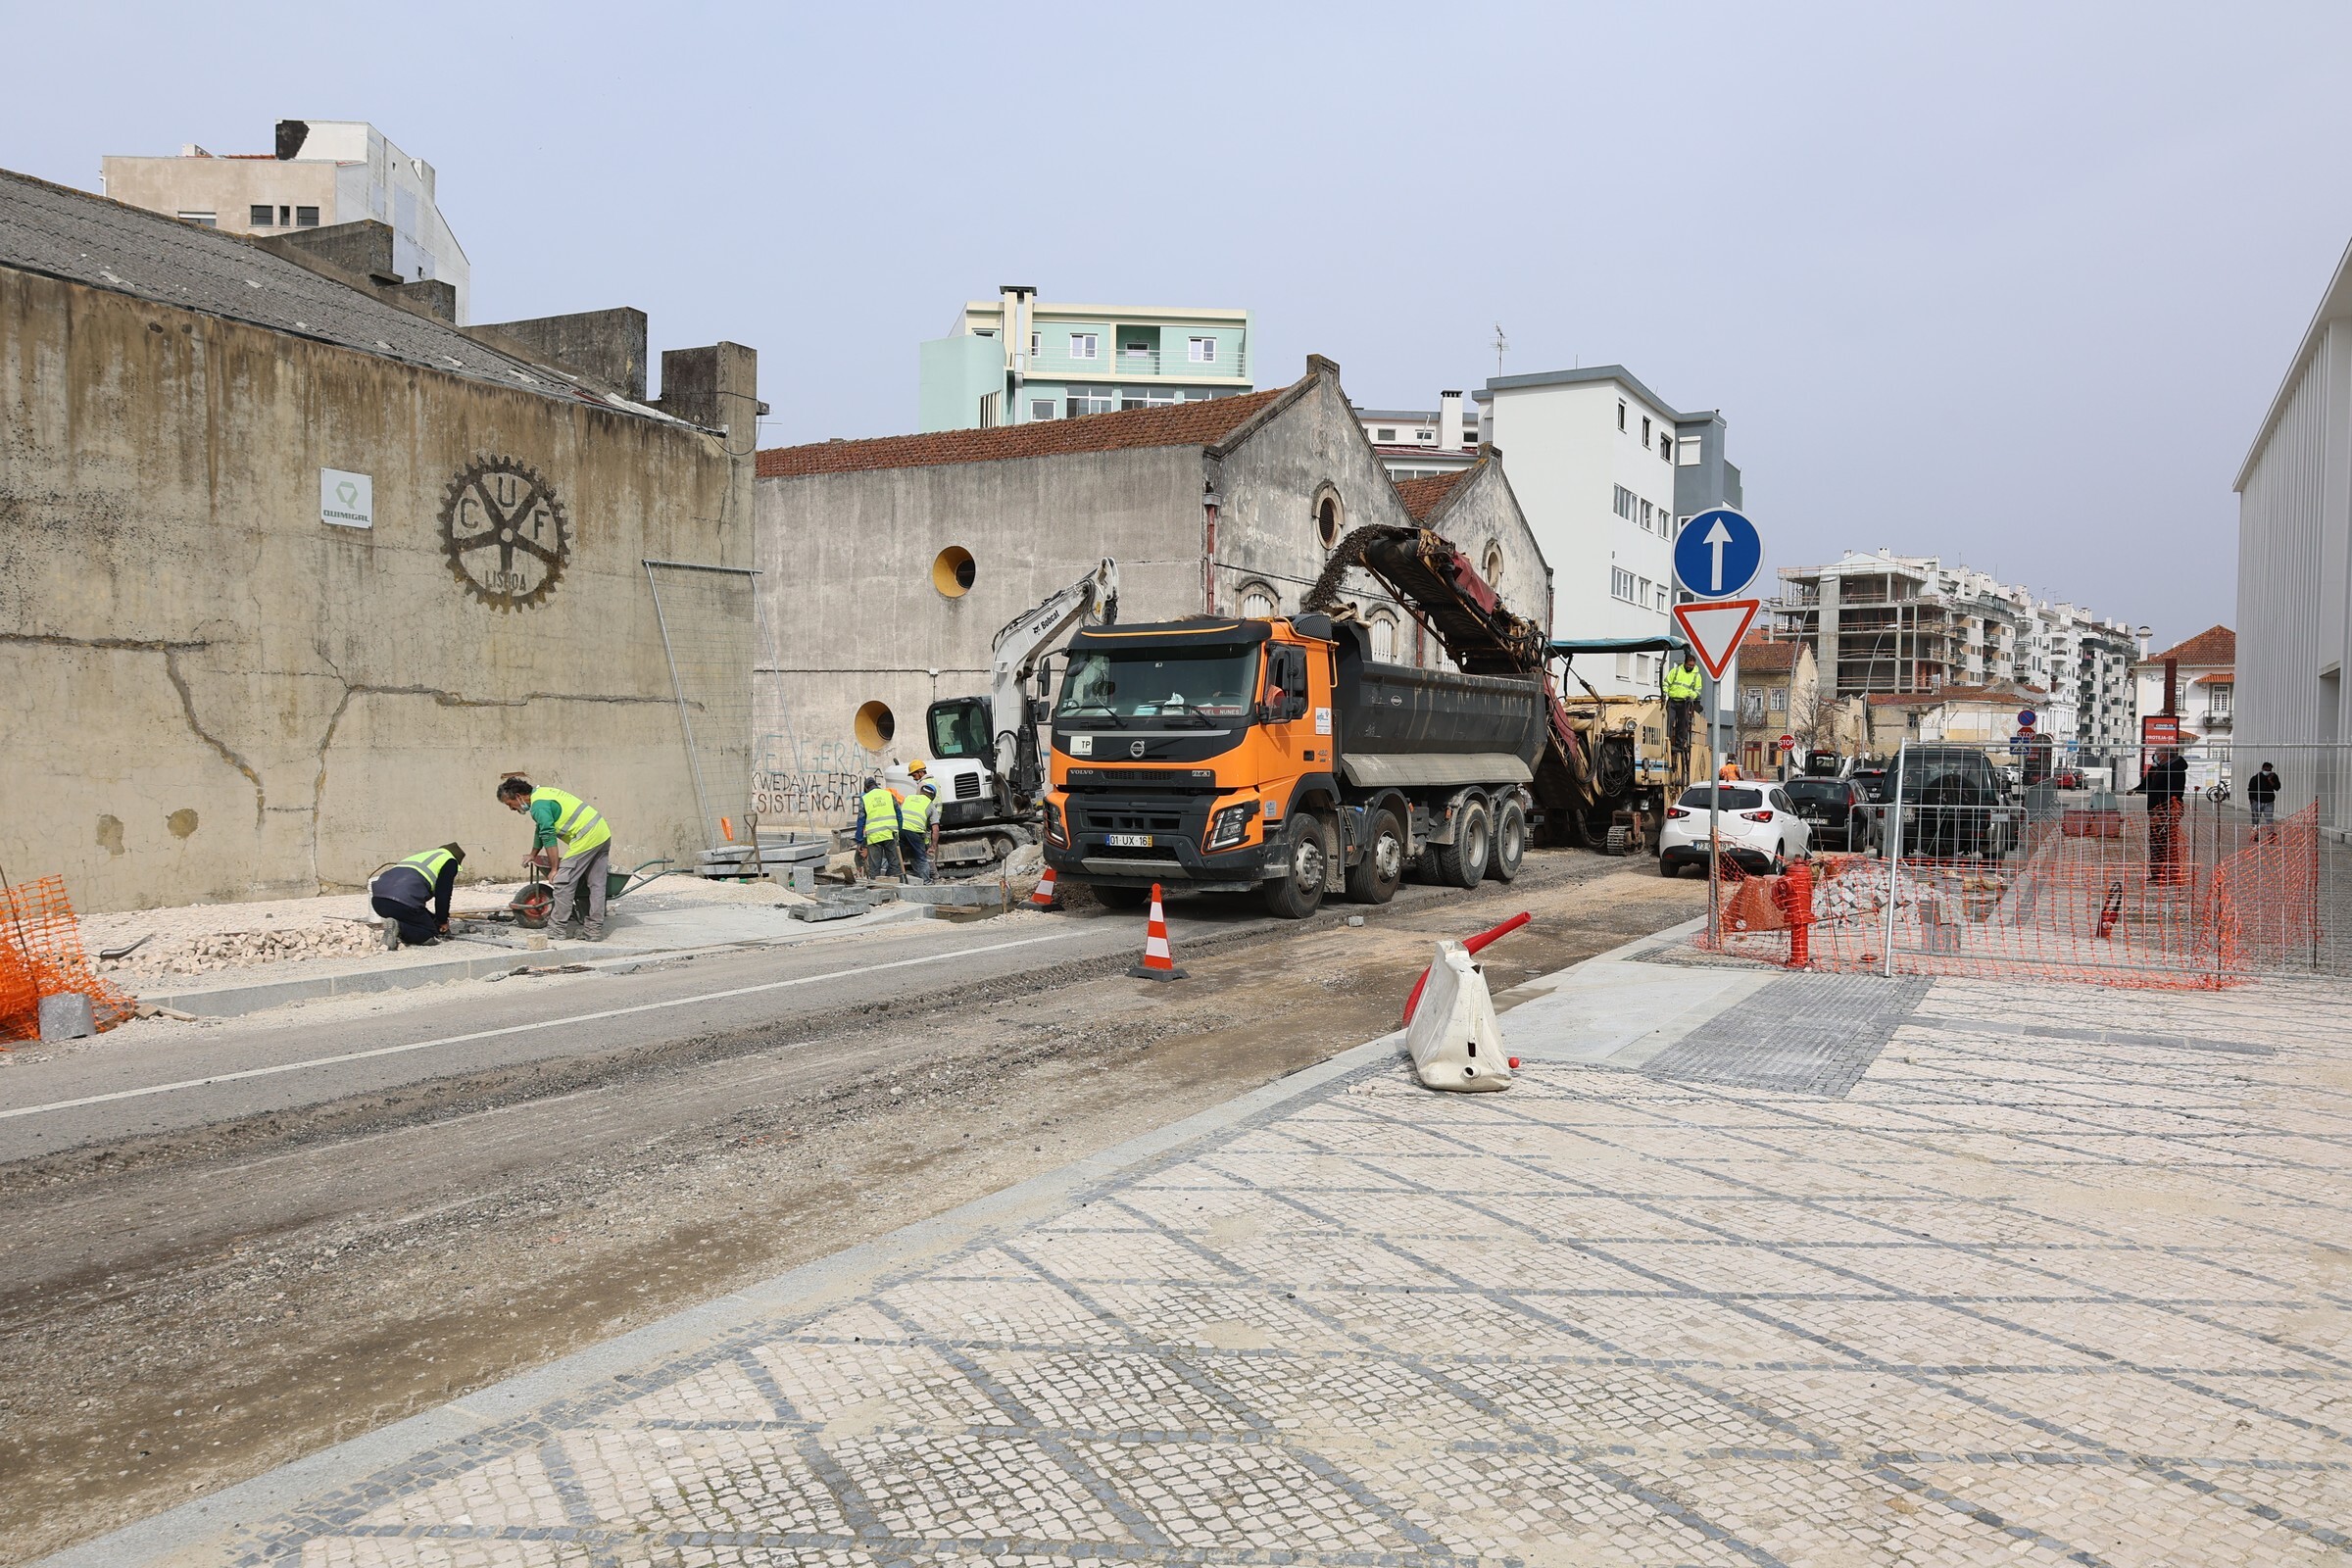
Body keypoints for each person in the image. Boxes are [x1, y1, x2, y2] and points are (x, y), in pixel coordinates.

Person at [497, 776, 613, 940]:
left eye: (509, 804)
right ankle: (593, 931)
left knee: (562, 882)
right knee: (597, 885)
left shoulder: (539, 806)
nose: (512, 809)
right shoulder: (542, 793)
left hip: (587, 836)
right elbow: (541, 829)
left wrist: (554, 869)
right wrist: (533, 854)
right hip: (602, 832)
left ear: (518, 796)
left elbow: (548, 836)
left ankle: (557, 930)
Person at [369, 843, 464, 948]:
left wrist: (436, 919)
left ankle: (394, 927)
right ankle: (399, 927)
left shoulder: (423, 857)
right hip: (403, 903)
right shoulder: (450, 861)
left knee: (427, 919)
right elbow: (443, 895)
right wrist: (442, 920)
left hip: (379, 902)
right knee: (430, 932)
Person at [2132, 748, 2188, 885]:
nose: (2154, 757)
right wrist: (2136, 790)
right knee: (2156, 844)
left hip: (2165, 813)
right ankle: (2158, 874)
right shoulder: (2159, 769)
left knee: (2164, 844)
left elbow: (2174, 793)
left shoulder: (2175, 770)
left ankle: (2165, 875)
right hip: (2156, 811)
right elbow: (2148, 787)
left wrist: (2164, 812)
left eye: (2156, 754)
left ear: (2164, 755)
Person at [854, 775, 902, 879]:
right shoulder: (889, 795)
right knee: (894, 864)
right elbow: (899, 814)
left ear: (866, 788)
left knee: (875, 867)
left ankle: (875, 887)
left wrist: (860, 841)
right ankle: (895, 886)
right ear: (876, 785)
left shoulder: (865, 798)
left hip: (874, 837)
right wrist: (899, 831)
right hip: (890, 833)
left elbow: (860, 821)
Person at [1664, 653, 1701, 775]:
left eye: (1692, 665)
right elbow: (1666, 683)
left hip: (1685, 702)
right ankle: (1667, 741)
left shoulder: (1696, 675)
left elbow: (1698, 691)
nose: (1690, 667)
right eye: (1689, 665)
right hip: (1673, 700)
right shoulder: (1675, 671)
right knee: (1669, 721)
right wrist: (1665, 693)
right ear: (1685, 663)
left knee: (1683, 724)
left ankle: (1680, 743)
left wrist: (1692, 696)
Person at [900, 778, 940, 883]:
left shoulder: (908, 798)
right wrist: (933, 846)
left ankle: (889, 877)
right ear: (932, 797)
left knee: (898, 856)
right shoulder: (930, 805)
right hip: (914, 832)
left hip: (900, 829)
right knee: (921, 858)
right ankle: (926, 882)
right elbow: (935, 829)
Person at [2248, 761, 2280, 840]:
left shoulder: (2274, 777)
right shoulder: (2256, 777)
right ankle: (2255, 835)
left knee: (2269, 819)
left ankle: (2271, 836)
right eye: (2266, 769)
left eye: (2269, 770)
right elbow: (2251, 790)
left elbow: (2277, 787)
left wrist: (2270, 780)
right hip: (2257, 801)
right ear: (2263, 769)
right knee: (2255, 819)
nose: (2268, 771)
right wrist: (2251, 801)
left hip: (2269, 802)